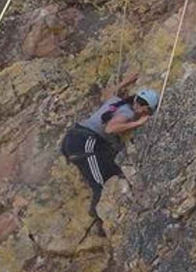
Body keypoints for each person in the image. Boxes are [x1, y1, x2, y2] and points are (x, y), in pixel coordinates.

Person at [59, 74, 159, 214]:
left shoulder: (117, 101)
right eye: (146, 110)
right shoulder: (128, 113)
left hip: (73, 138)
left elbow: (109, 92)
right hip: (85, 142)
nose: (143, 112)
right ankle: (97, 218)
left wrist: (125, 82)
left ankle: (98, 215)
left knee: (110, 164)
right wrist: (138, 123)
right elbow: (110, 128)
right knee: (102, 185)